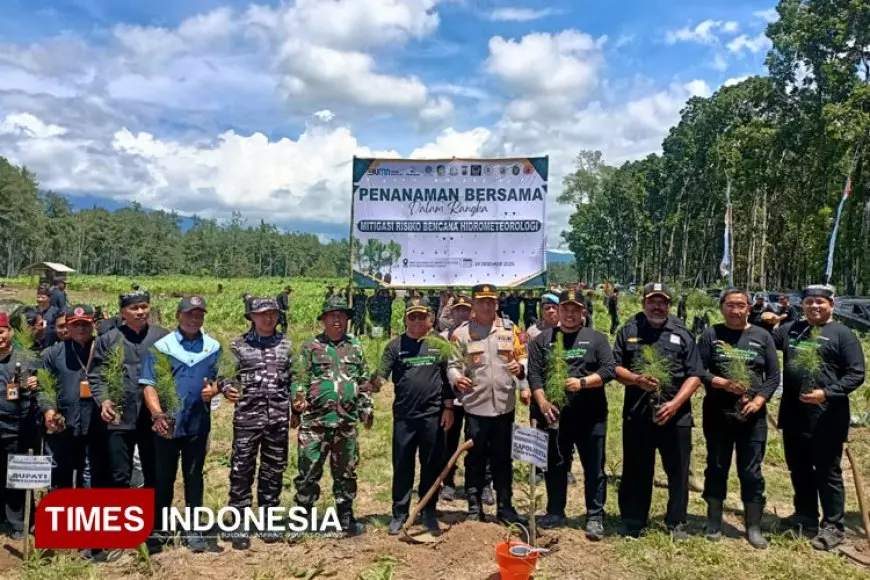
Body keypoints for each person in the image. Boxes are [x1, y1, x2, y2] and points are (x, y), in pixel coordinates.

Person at [773, 284, 865, 551]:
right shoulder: (793, 329)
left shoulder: (843, 335)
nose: (814, 306)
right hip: (793, 415)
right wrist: (762, 318)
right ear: (803, 304)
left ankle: (834, 526)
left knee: (828, 471)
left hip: (827, 417)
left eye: (820, 302)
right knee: (798, 467)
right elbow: (766, 339)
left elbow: (856, 373)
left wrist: (826, 393)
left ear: (831, 305)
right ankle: (805, 515)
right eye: (810, 301)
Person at [613, 283, 704, 540]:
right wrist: (635, 378)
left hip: (676, 415)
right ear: (643, 303)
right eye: (652, 301)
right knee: (636, 468)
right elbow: (614, 366)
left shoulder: (682, 333)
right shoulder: (629, 330)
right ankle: (633, 521)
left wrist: (675, 404)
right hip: (638, 413)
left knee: (678, 470)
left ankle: (677, 523)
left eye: (662, 301)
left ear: (669, 305)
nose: (657, 306)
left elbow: (695, 374)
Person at [527, 290, 615, 540]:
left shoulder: (596, 339)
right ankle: (555, 511)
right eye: (565, 308)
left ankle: (595, 516)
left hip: (591, 416)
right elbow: (534, 374)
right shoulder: (542, 341)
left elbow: (608, 369)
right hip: (555, 417)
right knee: (556, 464)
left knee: (594, 467)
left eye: (575, 309)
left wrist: (583, 382)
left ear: (582, 313)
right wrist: (542, 402)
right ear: (559, 311)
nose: (569, 313)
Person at [697, 289, 780, 549]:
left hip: (752, 416)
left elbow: (774, 377)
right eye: (730, 305)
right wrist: (720, 382)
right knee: (717, 466)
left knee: (751, 471)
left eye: (741, 305)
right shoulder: (711, 335)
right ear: (722, 307)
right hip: (718, 413)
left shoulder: (762, 336)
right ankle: (713, 520)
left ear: (748, 308)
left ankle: (753, 526)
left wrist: (758, 401)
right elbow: (698, 370)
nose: (735, 310)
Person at [141, 296, 221, 553]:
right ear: (178, 316)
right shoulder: (162, 347)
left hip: (198, 423)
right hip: (168, 423)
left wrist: (215, 390)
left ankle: (193, 528)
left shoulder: (212, 346)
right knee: (163, 476)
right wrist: (157, 414)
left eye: (199, 314)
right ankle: (160, 528)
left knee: (194, 476)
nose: (194, 319)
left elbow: (221, 380)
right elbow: (149, 384)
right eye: (189, 314)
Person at [447, 284, 530, 525]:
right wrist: (456, 377)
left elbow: (522, 354)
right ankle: (474, 508)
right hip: (476, 407)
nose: (486, 306)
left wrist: (521, 368)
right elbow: (452, 364)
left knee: (503, 458)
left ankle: (505, 507)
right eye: (481, 301)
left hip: (504, 406)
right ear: (473, 305)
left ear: (497, 304)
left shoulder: (509, 329)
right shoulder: (461, 334)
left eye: (491, 301)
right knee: (475, 459)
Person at [292, 295, 374, 537]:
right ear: (324, 319)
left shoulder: (355, 346)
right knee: (308, 471)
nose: (337, 320)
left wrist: (366, 407)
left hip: (346, 422)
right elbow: (300, 379)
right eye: (332, 315)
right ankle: (302, 518)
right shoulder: (311, 346)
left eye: (342, 315)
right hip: (316, 422)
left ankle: (345, 517)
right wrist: (297, 400)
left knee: (346, 471)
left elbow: (364, 381)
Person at [219, 297, 294, 550]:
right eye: (262, 314)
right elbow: (225, 376)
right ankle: (239, 522)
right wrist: (228, 387)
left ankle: (268, 519)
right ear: (252, 316)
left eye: (272, 313)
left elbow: (298, 376)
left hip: (278, 420)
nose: (268, 318)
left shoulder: (287, 345)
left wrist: (300, 396)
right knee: (241, 472)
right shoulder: (238, 346)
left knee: (273, 472)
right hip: (248, 420)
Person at [378, 297, 454, 535]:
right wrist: (370, 384)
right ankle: (399, 513)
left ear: (429, 319)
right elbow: (381, 376)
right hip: (404, 417)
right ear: (406, 319)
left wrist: (449, 408)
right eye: (413, 316)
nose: (417, 320)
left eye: (422, 316)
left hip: (432, 415)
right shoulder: (394, 346)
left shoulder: (439, 344)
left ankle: (428, 511)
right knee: (402, 465)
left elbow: (448, 378)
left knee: (431, 465)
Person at [88, 290, 169, 492]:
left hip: (153, 415)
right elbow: (97, 375)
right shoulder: (108, 339)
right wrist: (104, 401)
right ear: (122, 312)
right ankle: (122, 518)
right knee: (119, 473)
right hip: (119, 415)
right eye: (134, 308)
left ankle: (154, 519)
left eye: (144, 306)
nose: (141, 312)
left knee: (155, 470)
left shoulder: (162, 337)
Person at [39, 305, 106, 491]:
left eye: (85, 324)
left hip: (97, 424)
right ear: (67, 326)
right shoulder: (54, 353)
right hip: (64, 424)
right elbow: (45, 386)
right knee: (61, 473)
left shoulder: (104, 350)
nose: (81, 329)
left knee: (91, 473)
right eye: (75, 325)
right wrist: (49, 410)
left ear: (93, 324)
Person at [0, 312, 39, 540]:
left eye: (1, 333)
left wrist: (35, 383)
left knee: (16, 475)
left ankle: (19, 523)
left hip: (18, 426)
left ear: (10, 332)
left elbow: (42, 385)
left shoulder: (26, 357)